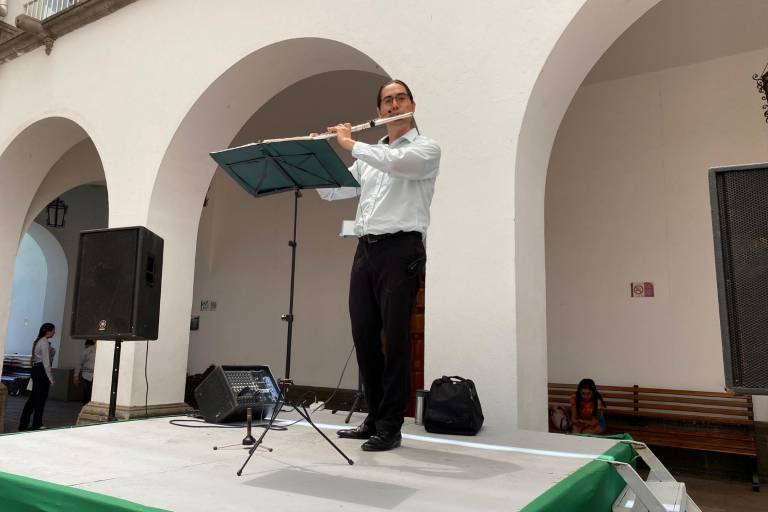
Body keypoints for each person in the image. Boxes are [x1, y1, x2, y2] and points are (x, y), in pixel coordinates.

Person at [317, 79, 440, 451]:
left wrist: (352, 144)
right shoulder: (368, 157)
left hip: (401, 249)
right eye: (387, 100)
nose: (393, 104)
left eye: (400, 98)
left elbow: (398, 164)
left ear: (412, 105)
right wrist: (322, 156)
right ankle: (373, 416)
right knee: (364, 335)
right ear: (378, 111)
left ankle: (391, 424)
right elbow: (332, 190)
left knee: (396, 339)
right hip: (365, 249)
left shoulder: (425, 148)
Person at [18, 323, 56, 431]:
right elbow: (46, 362)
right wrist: (50, 378)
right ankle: (36, 424)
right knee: (39, 399)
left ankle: (25, 424)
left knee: (34, 399)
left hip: (37, 370)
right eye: (53, 330)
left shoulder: (39, 341)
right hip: (41, 371)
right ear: (47, 331)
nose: (54, 332)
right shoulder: (43, 342)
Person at [73, 339, 96, 405]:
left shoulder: (86, 351)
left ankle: (85, 406)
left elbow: (79, 363)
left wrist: (76, 376)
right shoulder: (97, 349)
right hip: (93, 375)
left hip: (86, 376)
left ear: (87, 345)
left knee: (86, 394)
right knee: (92, 394)